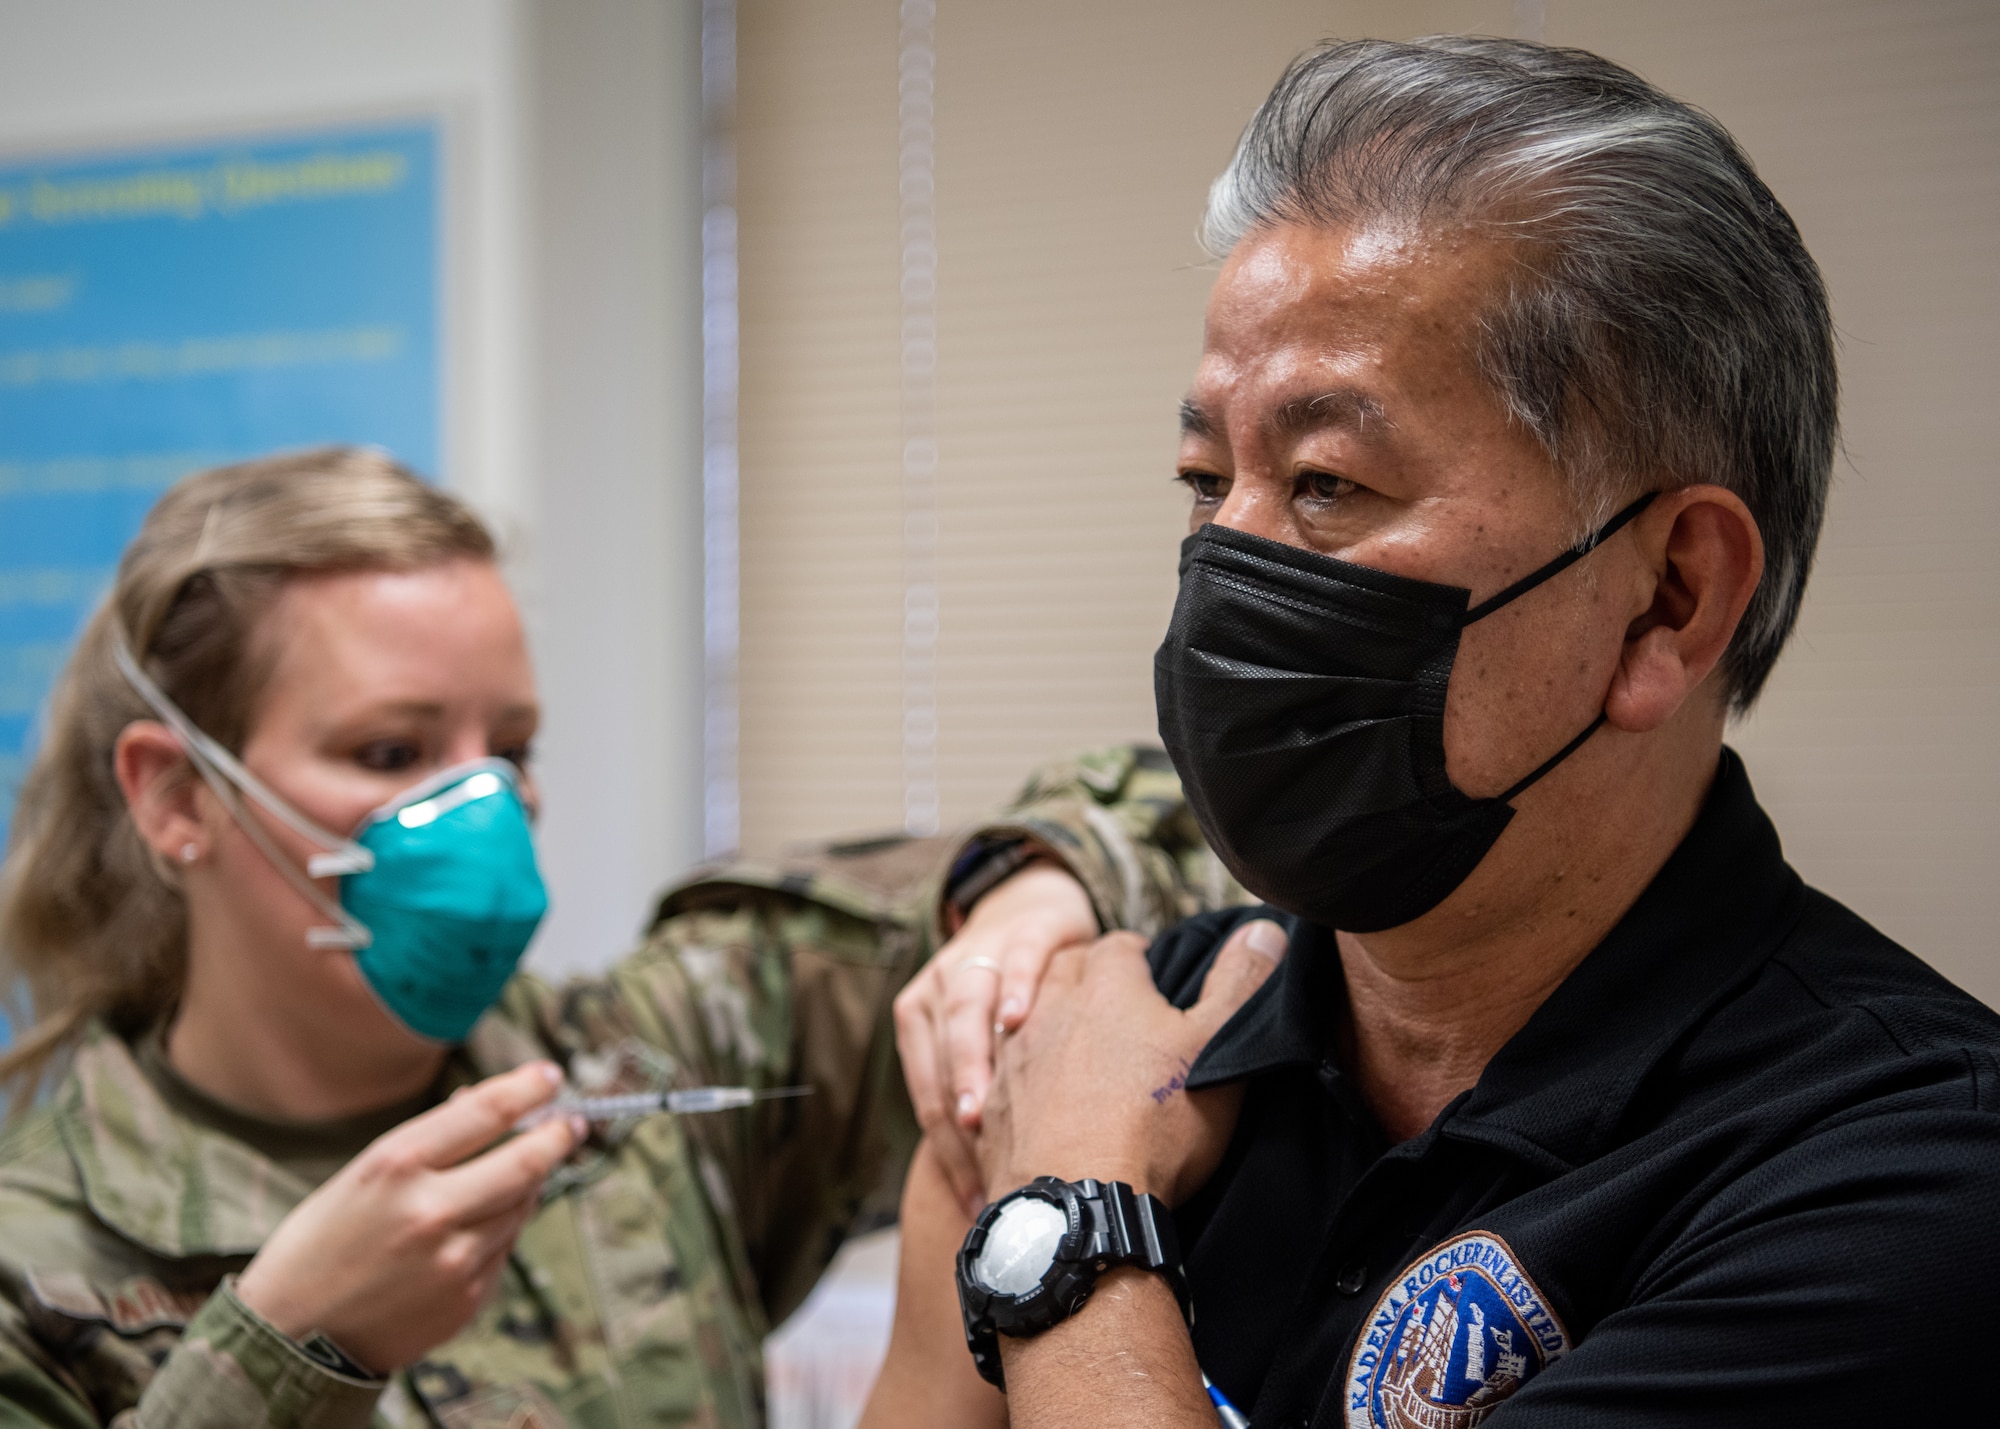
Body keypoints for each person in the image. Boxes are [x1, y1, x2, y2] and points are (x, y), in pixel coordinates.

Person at [863, 35, 2000, 1428]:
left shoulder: (1903, 1182)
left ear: (1671, 598)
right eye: (1207, 478)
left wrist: (1074, 1225)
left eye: (1330, 481)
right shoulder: (1095, 1045)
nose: (1225, 568)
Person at [0, 448, 1229, 1427]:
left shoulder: (653, 1055)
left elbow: (1201, 827)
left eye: (511, 750)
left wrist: (1025, 892)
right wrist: (287, 1353)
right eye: (390, 752)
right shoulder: (34, 1269)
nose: (486, 809)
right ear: (174, 797)